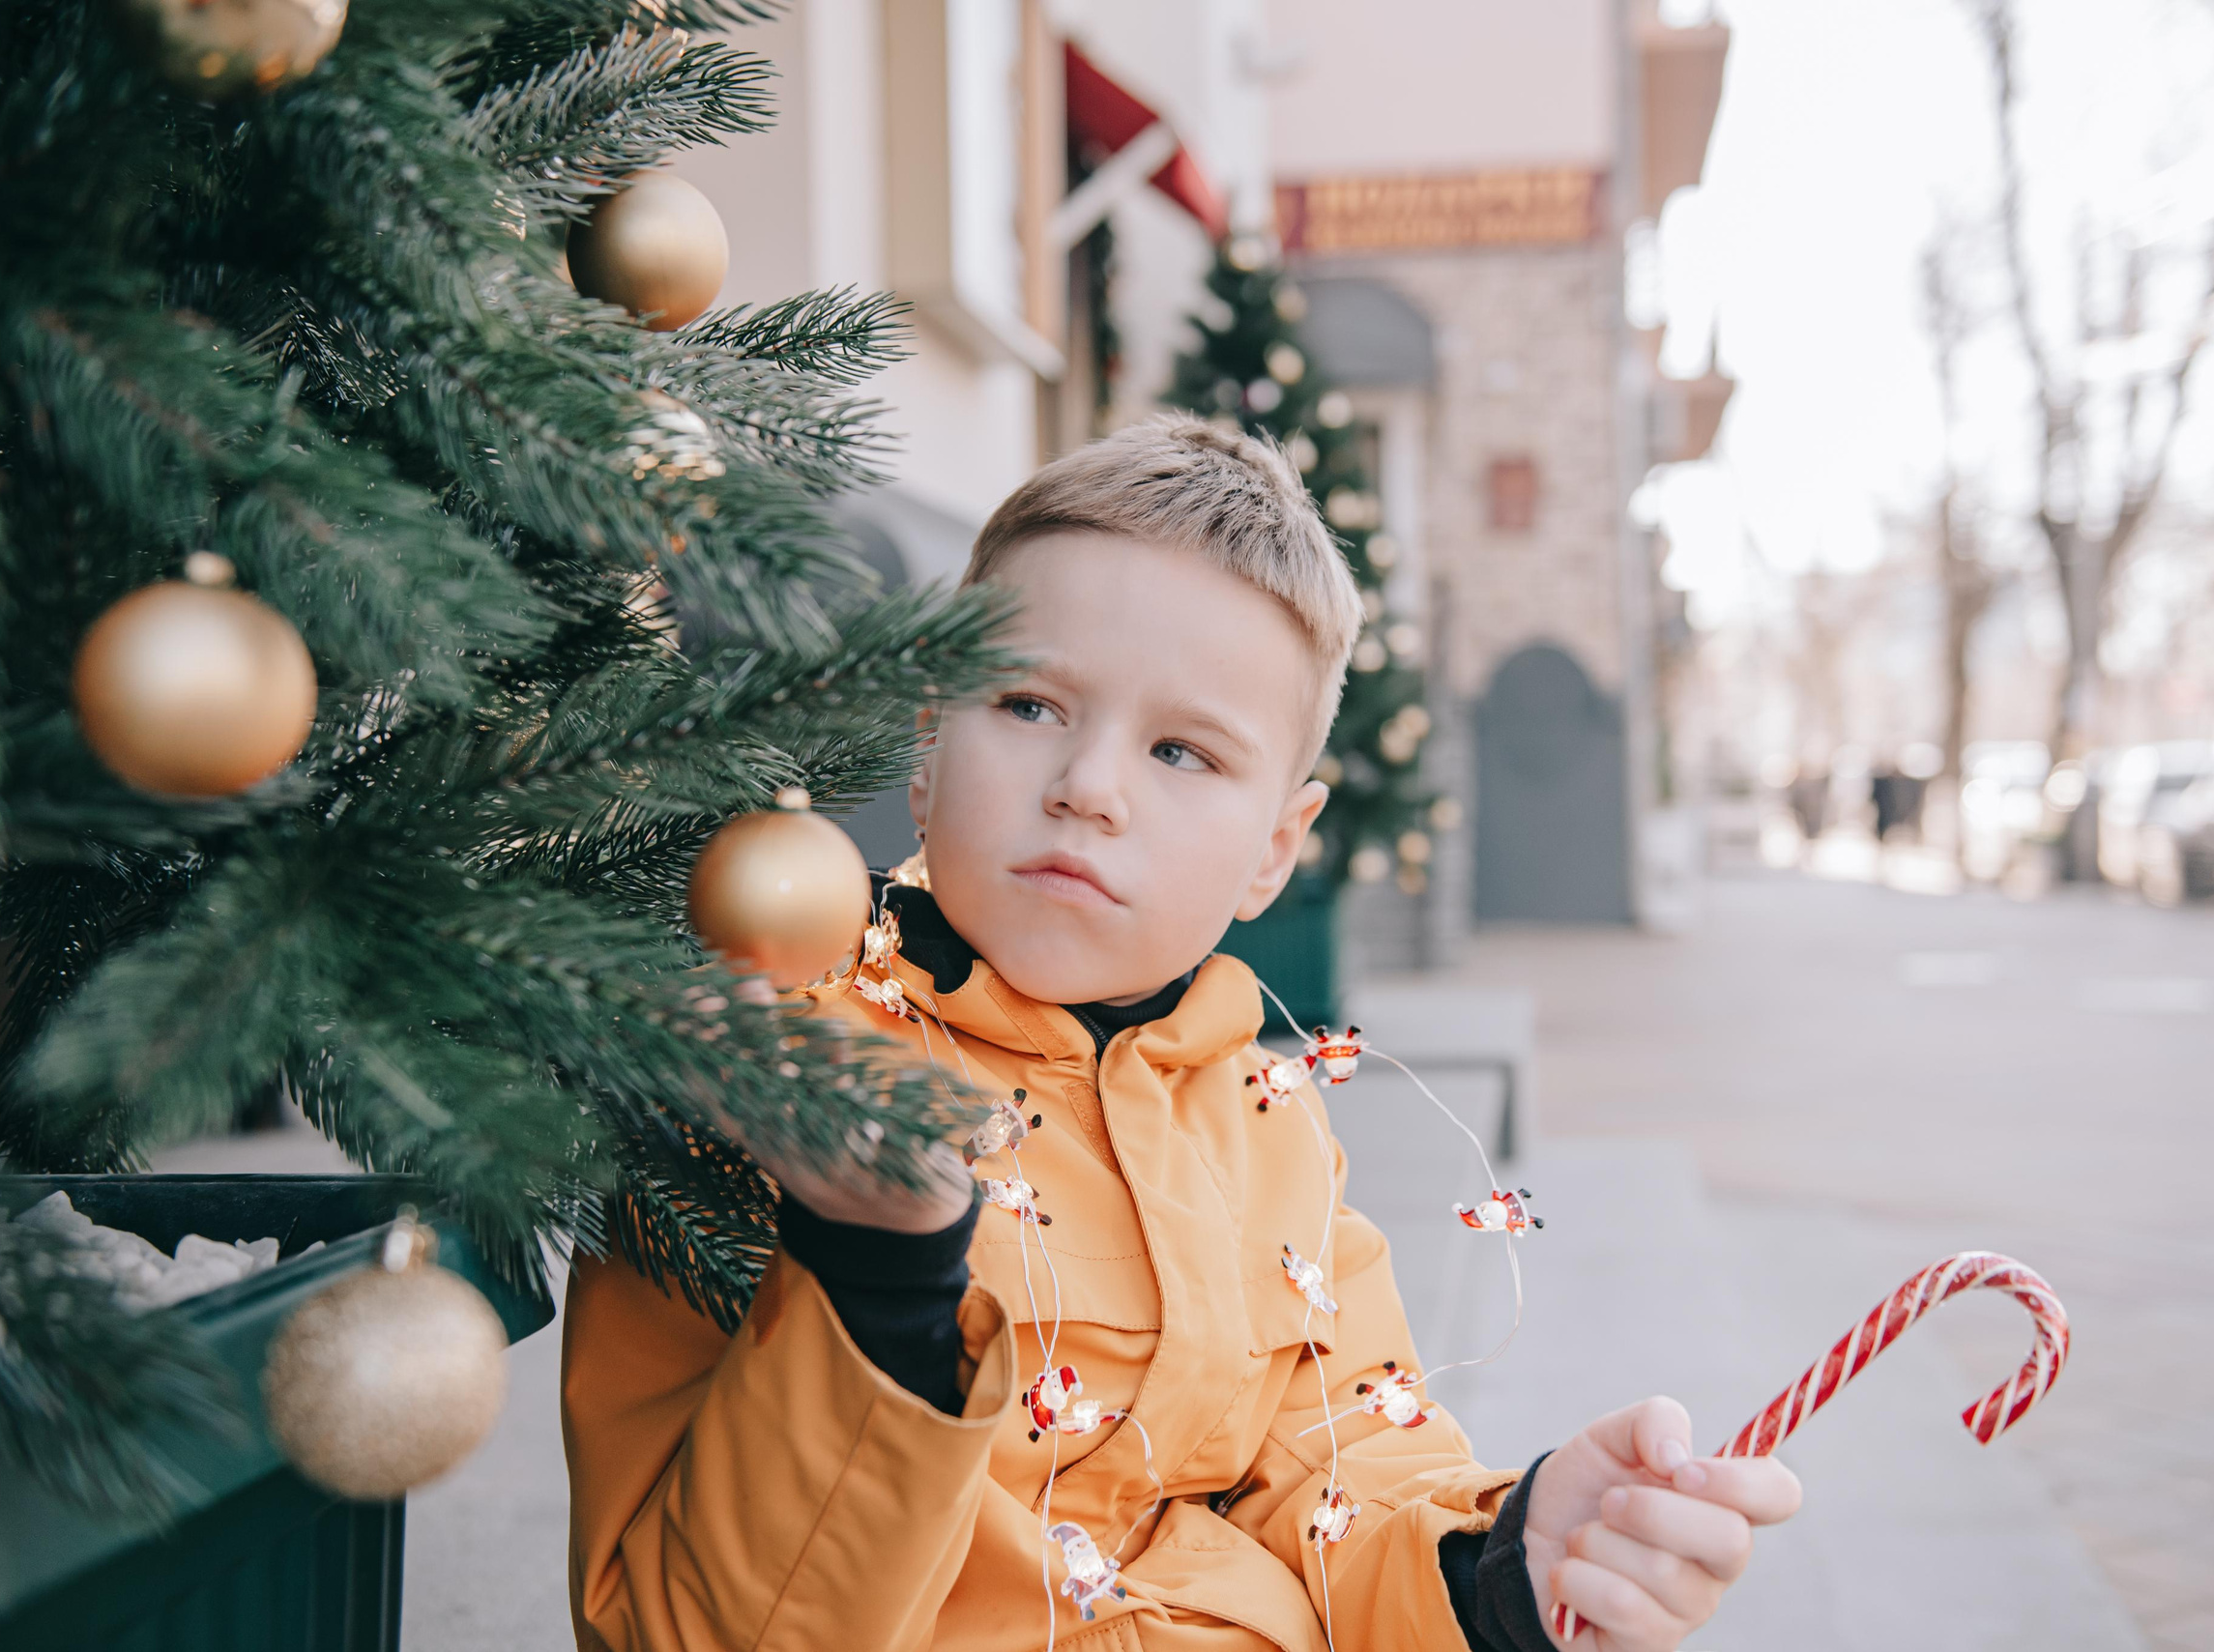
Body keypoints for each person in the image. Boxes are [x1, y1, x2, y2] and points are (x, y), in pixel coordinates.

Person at [562, 417, 1801, 1652]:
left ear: (1275, 847)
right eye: (1030, 702)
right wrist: (876, 1273)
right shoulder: (781, 1072)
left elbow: (1341, 1477)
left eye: (1181, 749)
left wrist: (1495, 1574)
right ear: (929, 746)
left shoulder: (1269, 1126)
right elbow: (676, 1626)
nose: (1090, 783)